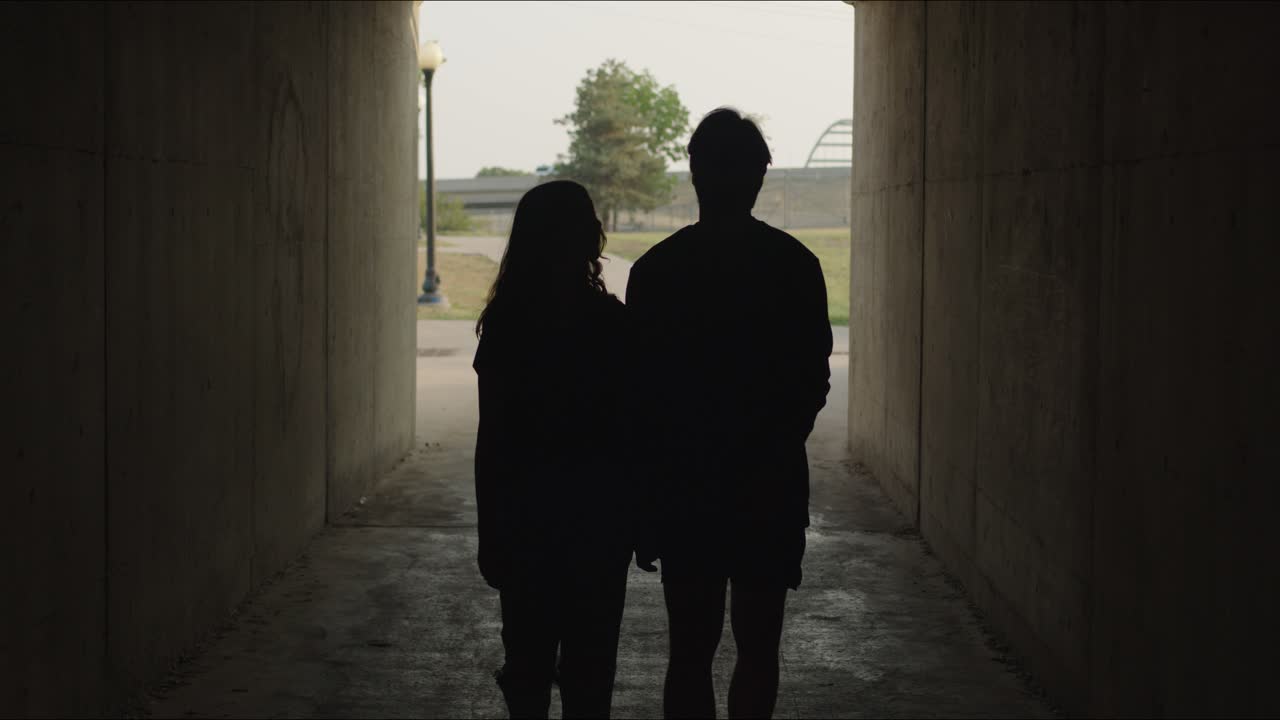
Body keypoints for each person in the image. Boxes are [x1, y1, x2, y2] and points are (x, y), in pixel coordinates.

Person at [626, 108, 832, 719]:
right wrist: (771, 441)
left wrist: (645, 499)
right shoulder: (794, 266)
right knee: (759, 646)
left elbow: (640, 397)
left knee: (688, 650)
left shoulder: (657, 271)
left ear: (694, 173)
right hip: (768, 485)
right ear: (760, 176)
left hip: (685, 489)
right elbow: (811, 380)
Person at [473, 180, 632, 719]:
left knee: (528, 667)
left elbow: (492, 439)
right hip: (598, 524)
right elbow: (632, 435)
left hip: (525, 521)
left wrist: (489, 532)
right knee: (591, 671)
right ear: (590, 239)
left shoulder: (506, 325)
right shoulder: (612, 325)